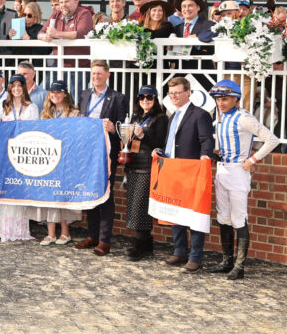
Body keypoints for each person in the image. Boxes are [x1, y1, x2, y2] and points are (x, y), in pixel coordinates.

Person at [207, 79, 278, 280]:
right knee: (223, 217)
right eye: (218, 99)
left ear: (236, 99)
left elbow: (271, 139)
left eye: (225, 99)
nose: (220, 103)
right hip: (222, 170)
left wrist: (253, 159)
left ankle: (239, 267)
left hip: (238, 171)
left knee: (239, 218)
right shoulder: (220, 116)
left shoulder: (244, 117)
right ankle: (227, 261)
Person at [155, 76, 214, 272]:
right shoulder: (173, 116)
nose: (174, 96)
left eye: (177, 93)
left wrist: (205, 156)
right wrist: (160, 151)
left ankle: (196, 257)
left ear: (188, 93)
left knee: (194, 214)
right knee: (175, 212)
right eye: (171, 93)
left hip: (191, 171)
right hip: (172, 170)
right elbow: (171, 143)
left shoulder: (200, 114)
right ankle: (179, 251)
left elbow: (206, 139)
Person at [74, 60, 129, 256]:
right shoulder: (84, 94)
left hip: (106, 152)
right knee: (90, 191)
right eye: (93, 73)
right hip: (87, 151)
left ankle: (104, 240)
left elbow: (123, 127)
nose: (96, 76)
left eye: (99, 73)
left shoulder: (118, 98)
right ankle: (92, 235)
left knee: (105, 193)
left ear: (108, 75)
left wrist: (114, 128)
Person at [0, 76, 39, 242]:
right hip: (4, 154)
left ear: (24, 88)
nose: (16, 89)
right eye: (13, 86)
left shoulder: (32, 108)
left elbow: (36, 131)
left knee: (16, 188)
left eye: (19, 85)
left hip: (22, 155)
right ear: (9, 88)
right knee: (2, 187)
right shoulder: (4, 107)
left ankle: (14, 229)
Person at [123, 84, 169, 262]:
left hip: (148, 167)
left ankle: (141, 244)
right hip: (134, 165)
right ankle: (146, 244)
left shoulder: (160, 118)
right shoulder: (136, 117)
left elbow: (160, 142)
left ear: (155, 100)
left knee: (141, 206)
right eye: (141, 97)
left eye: (149, 97)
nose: (145, 100)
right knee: (134, 206)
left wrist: (143, 136)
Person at [36, 80, 81, 245]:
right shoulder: (45, 113)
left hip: (66, 159)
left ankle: (65, 232)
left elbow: (76, 135)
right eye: (52, 92)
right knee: (49, 194)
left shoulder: (74, 113)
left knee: (62, 195)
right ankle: (50, 233)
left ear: (65, 94)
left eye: (58, 92)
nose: (55, 95)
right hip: (49, 158)